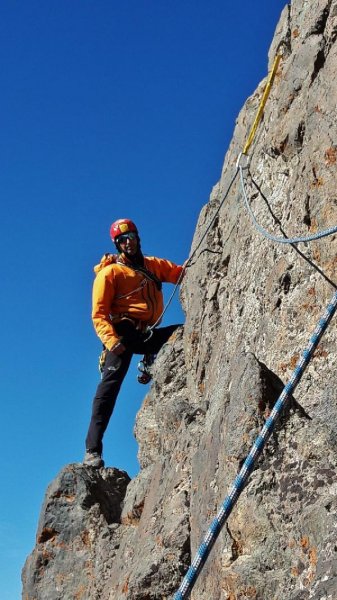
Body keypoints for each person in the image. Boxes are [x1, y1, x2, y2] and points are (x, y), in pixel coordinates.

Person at [83, 218, 185, 468]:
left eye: (131, 237)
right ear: (117, 245)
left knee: (182, 333)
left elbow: (178, 273)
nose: (128, 243)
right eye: (122, 240)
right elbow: (99, 313)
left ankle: (151, 357)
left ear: (138, 238)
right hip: (121, 333)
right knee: (109, 389)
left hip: (145, 333)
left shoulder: (152, 265)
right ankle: (92, 450)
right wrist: (111, 341)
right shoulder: (110, 273)